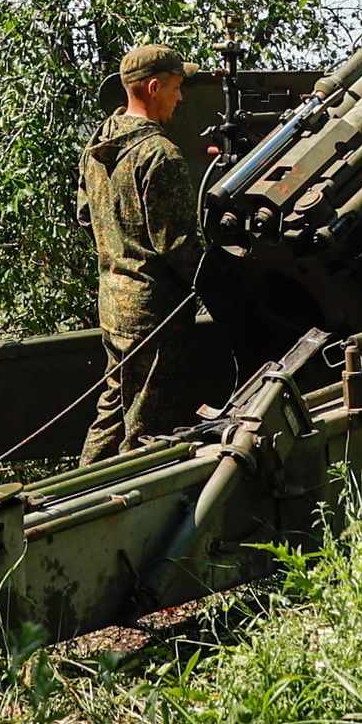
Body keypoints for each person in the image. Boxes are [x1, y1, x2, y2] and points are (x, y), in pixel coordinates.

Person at [80, 41, 224, 461]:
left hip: (113, 301)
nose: (180, 99)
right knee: (144, 431)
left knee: (112, 409)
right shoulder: (159, 155)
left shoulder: (98, 145)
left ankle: (59, 496)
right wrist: (221, 283)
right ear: (154, 86)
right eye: (176, 88)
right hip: (152, 314)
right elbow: (177, 245)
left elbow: (86, 215)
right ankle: (115, 509)